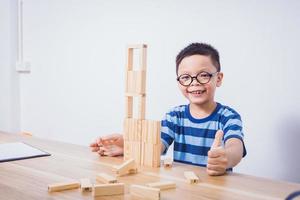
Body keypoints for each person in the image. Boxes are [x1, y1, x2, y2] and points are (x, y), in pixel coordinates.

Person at [90, 42, 246, 176]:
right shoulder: (174, 116)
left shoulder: (228, 117)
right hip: (185, 188)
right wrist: (127, 144)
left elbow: (235, 148)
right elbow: (156, 146)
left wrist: (226, 158)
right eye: (185, 77)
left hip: (216, 189)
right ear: (178, 81)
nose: (194, 83)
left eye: (203, 75)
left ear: (218, 79)